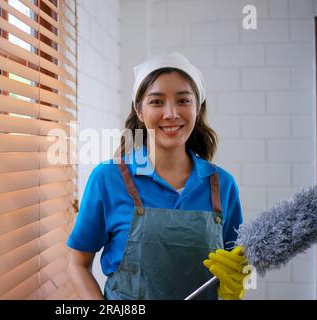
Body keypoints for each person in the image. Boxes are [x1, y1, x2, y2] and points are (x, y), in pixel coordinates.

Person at [67, 52, 247, 300]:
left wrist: (234, 289)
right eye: (157, 101)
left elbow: (236, 265)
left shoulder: (221, 184)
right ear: (139, 110)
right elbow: (78, 263)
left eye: (183, 100)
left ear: (197, 108)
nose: (171, 113)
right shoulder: (108, 179)